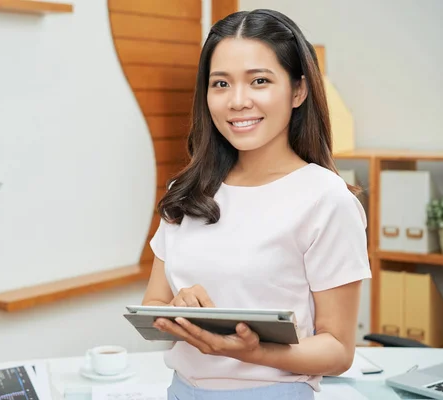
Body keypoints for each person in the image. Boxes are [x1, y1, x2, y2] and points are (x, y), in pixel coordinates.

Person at [141, 8, 371, 400]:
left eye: (259, 81)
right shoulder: (188, 191)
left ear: (298, 90)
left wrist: (257, 351)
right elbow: (154, 305)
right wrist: (180, 311)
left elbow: (338, 350)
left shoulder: (326, 199)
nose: (238, 101)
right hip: (181, 392)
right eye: (221, 84)